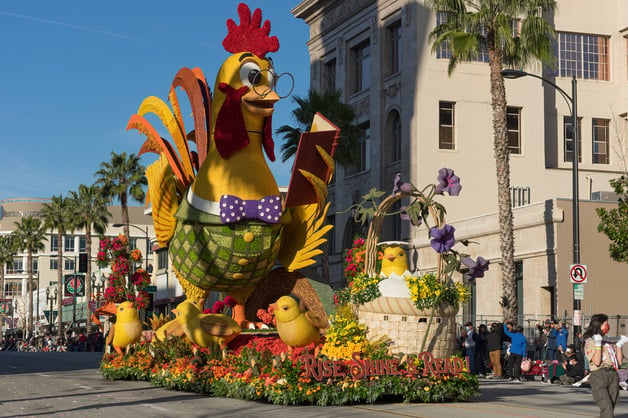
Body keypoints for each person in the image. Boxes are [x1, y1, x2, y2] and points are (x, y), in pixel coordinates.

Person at [583, 313, 628, 418]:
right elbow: (597, 362)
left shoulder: (606, 342)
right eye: (605, 324)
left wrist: (619, 346)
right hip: (599, 375)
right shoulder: (591, 342)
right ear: (598, 325)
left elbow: (619, 363)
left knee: (611, 407)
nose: (607, 326)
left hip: (613, 375)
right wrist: (598, 345)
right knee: (607, 408)